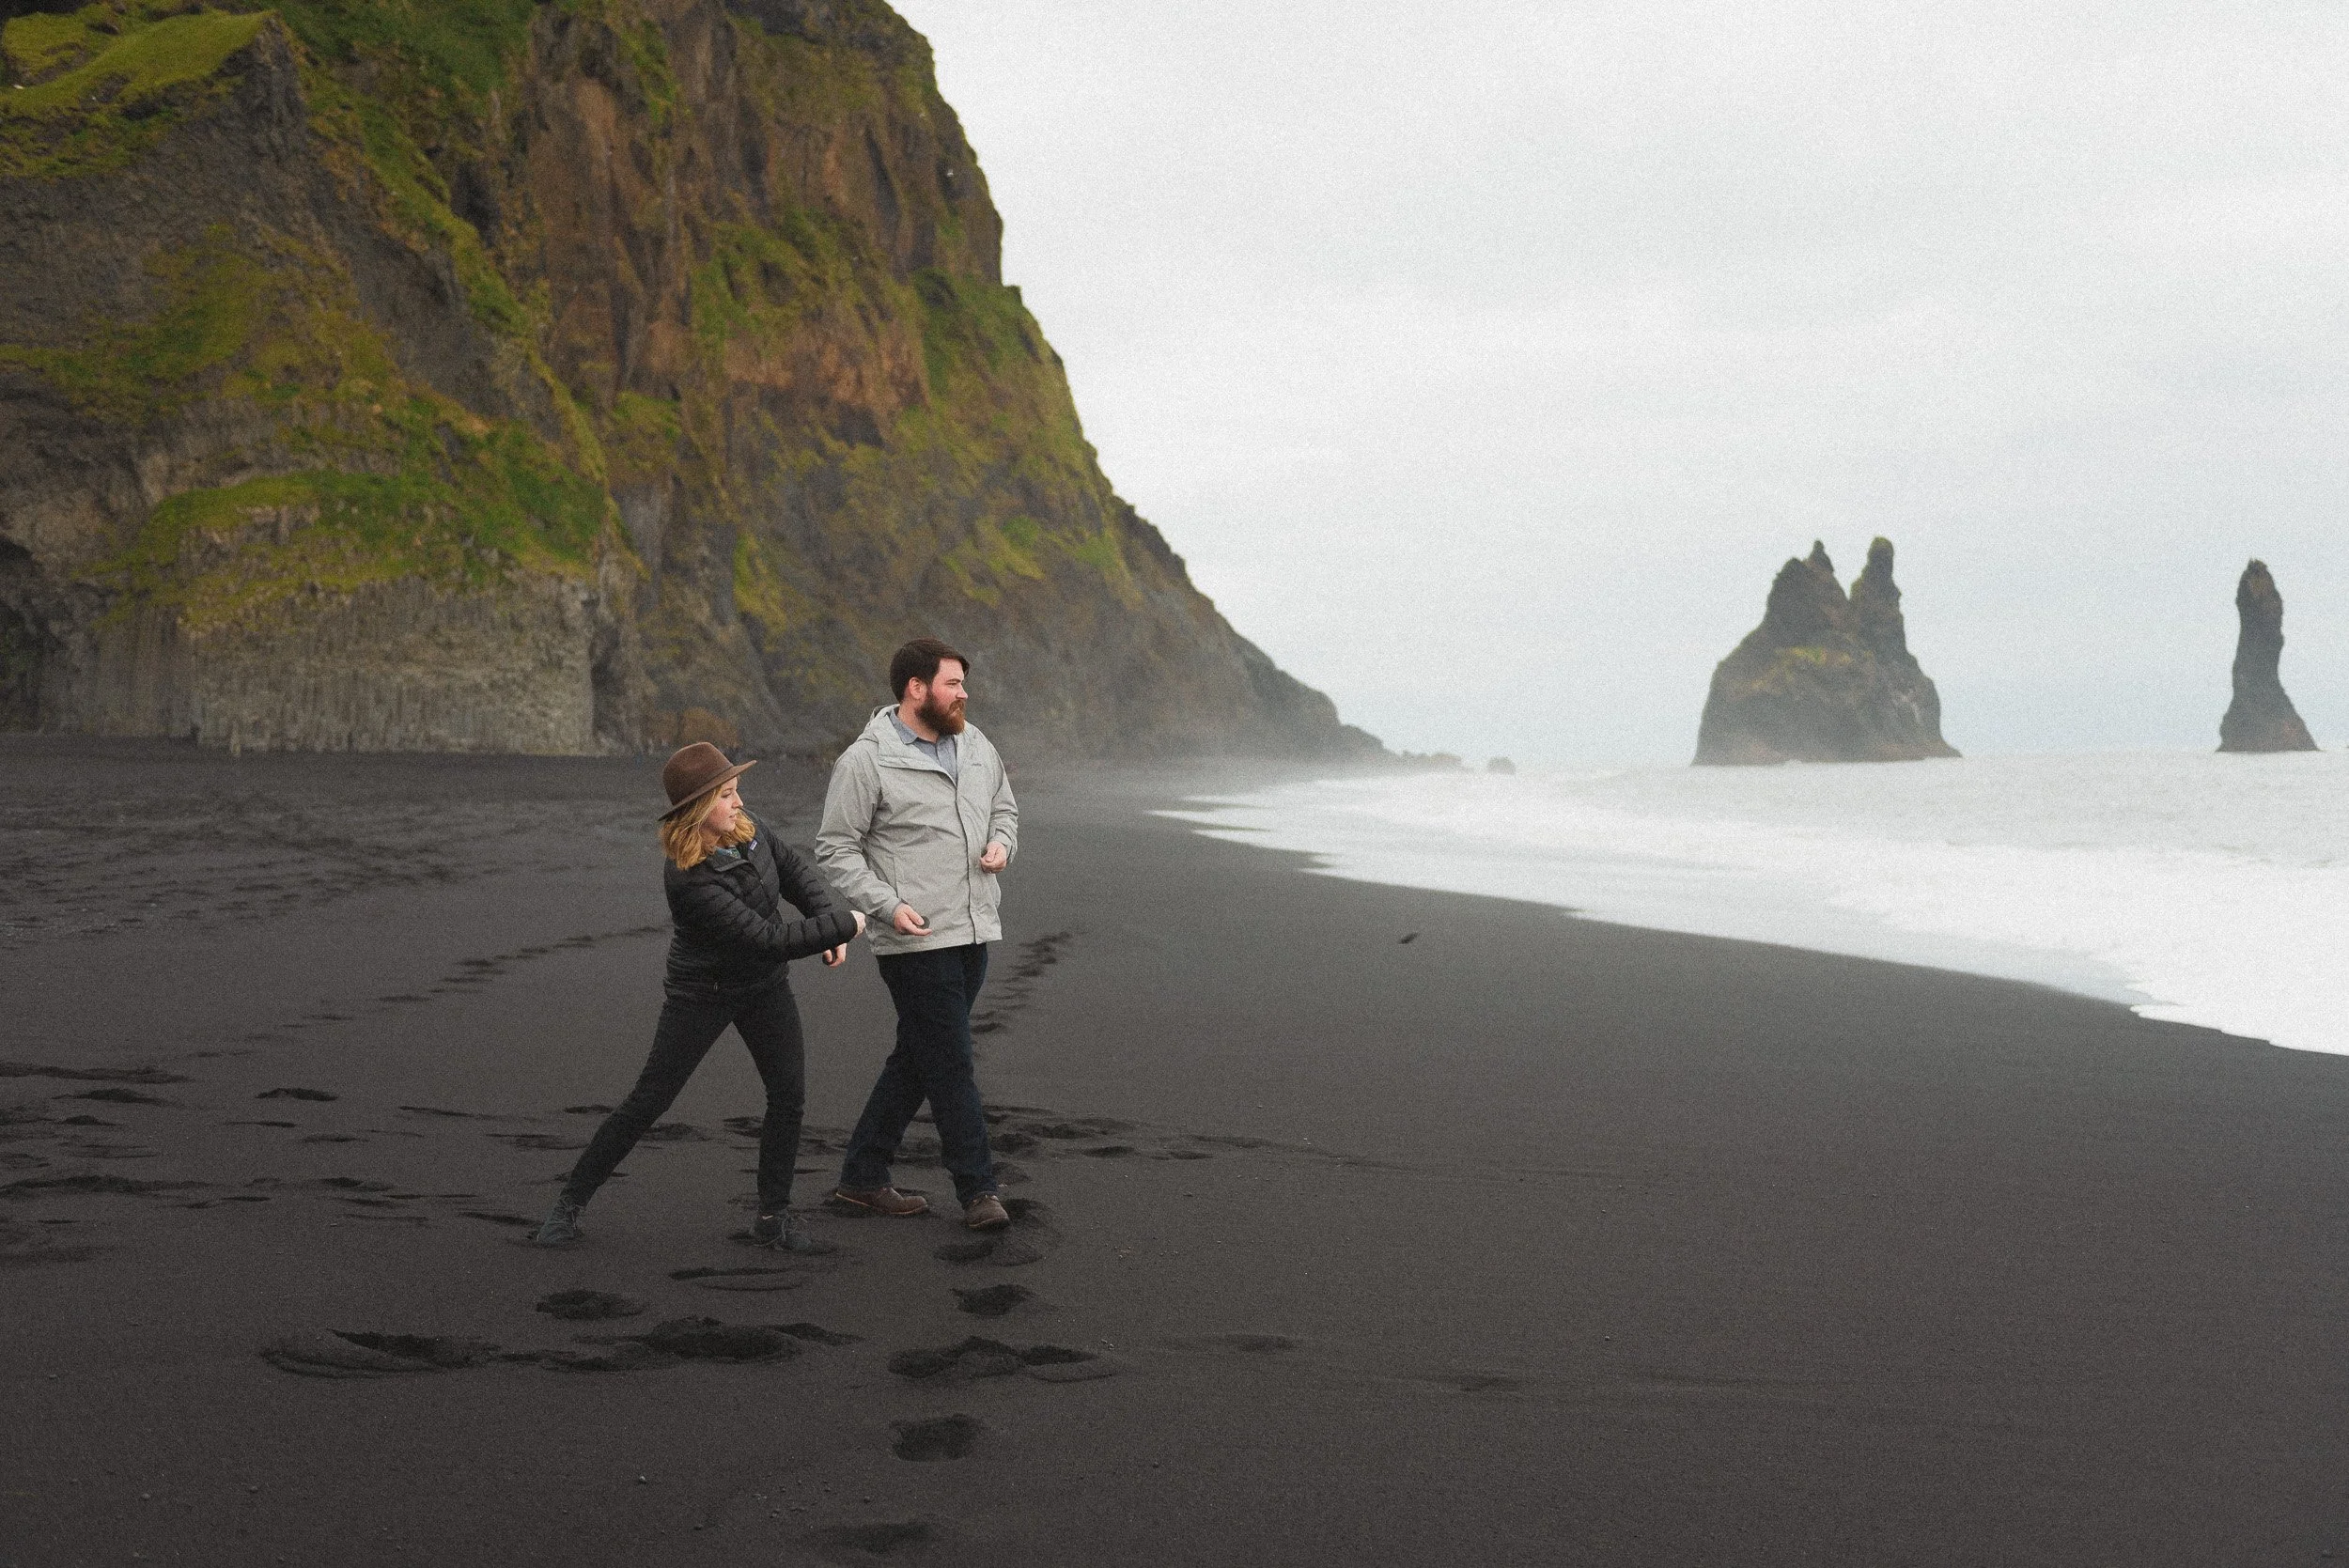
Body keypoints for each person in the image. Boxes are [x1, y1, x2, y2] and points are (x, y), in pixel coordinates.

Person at [533, 742, 865, 1250]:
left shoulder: (746, 829)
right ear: (696, 809)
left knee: (788, 1095)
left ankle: (773, 1218)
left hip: (763, 986)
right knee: (650, 1101)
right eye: (727, 795)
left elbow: (796, 873)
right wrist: (847, 924)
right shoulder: (688, 879)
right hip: (702, 994)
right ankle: (567, 1206)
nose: (738, 802)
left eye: (736, 791)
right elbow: (765, 939)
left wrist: (827, 927)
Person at [816, 637, 1019, 1232]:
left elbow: (1005, 808)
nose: (964, 694)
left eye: (962, 684)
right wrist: (887, 905)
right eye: (953, 684)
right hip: (915, 938)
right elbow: (835, 848)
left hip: (975, 929)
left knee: (919, 1058)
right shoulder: (866, 760)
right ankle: (979, 1191)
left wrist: (1003, 843)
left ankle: (861, 1177)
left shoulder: (976, 744)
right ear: (916, 688)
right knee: (951, 1063)